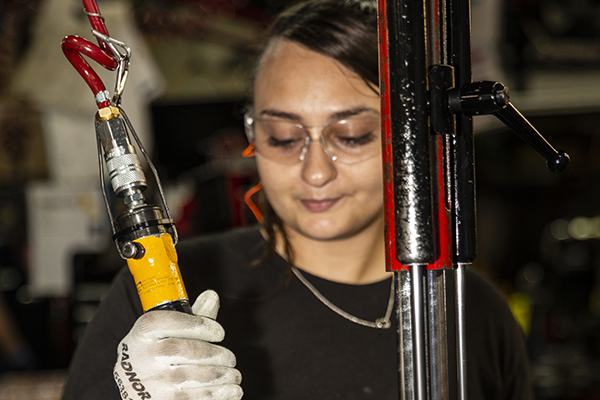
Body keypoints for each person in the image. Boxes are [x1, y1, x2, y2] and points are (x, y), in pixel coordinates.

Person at [61, 1, 534, 399]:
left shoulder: (473, 311)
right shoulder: (162, 297)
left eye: (350, 135)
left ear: (409, 137)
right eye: (284, 137)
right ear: (252, 135)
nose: (315, 170)